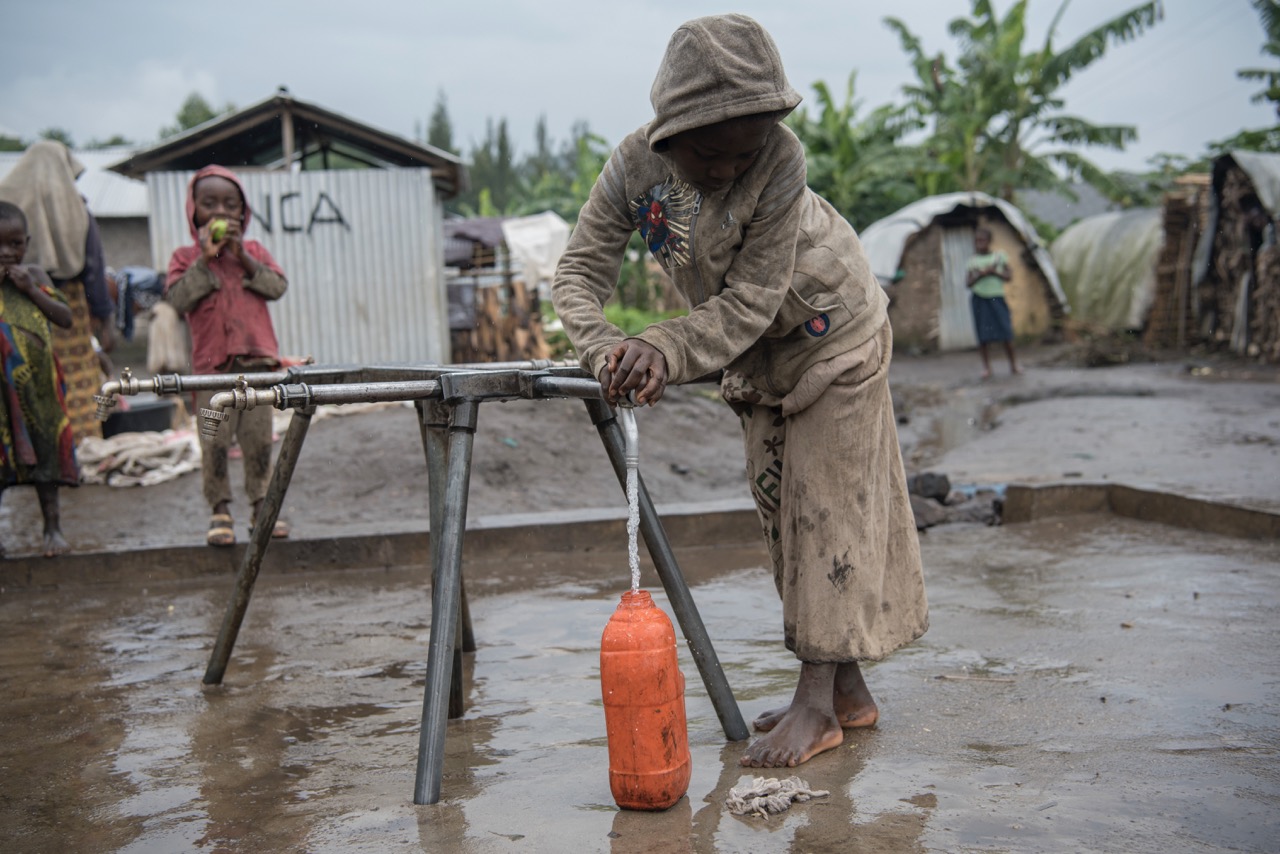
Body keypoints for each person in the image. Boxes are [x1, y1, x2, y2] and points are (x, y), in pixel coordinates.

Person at [552, 14, 928, 769]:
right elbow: (579, 274)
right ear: (667, 131)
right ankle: (848, 693)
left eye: (742, 152)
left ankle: (816, 706)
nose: (726, 170)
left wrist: (662, 344)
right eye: (707, 153)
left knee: (823, 505)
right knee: (779, 508)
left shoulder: (779, 161)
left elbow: (754, 298)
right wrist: (606, 352)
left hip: (835, 335)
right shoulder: (633, 167)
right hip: (754, 360)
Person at [165, 165, 290, 547]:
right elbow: (178, 298)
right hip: (211, 368)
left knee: (257, 441)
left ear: (243, 212)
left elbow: (277, 287)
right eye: (210, 204)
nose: (220, 212)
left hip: (255, 364)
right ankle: (219, 508)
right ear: (194, 211)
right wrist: (207, 258)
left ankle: (261, 506)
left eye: (230, 205)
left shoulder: (253, 252)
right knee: (214, 440)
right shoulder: (186, 257)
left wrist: (242, 257)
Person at [0, 140, 116, 446]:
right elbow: (93, 269)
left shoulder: (7, 202)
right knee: (74, 379)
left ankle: (35, 449)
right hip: (71, 305)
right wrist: (105, 321)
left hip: (16, 305)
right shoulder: (77, 209)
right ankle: (81, 443)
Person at [0, 201, 79, 557]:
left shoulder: (35, 276)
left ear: (26, 243)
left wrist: (31, 289)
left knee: (46, 456)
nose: (6, 253)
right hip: (2, 395)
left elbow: (65, 319)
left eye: (14, 244)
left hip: (40, 390)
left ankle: (53, 528)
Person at [965, 227, 1021, 378]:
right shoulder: (973, 261)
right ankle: (987, 368)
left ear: (989, 241)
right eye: (977, 241)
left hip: (997, 298)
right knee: (982, 335)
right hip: (979, 299)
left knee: (1006, 332)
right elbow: (968, 283)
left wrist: (994, 272)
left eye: (982, 240)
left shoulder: (999, 257)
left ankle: (1013, 365)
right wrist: (980, 275)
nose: (979, 243)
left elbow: (1009, 276)